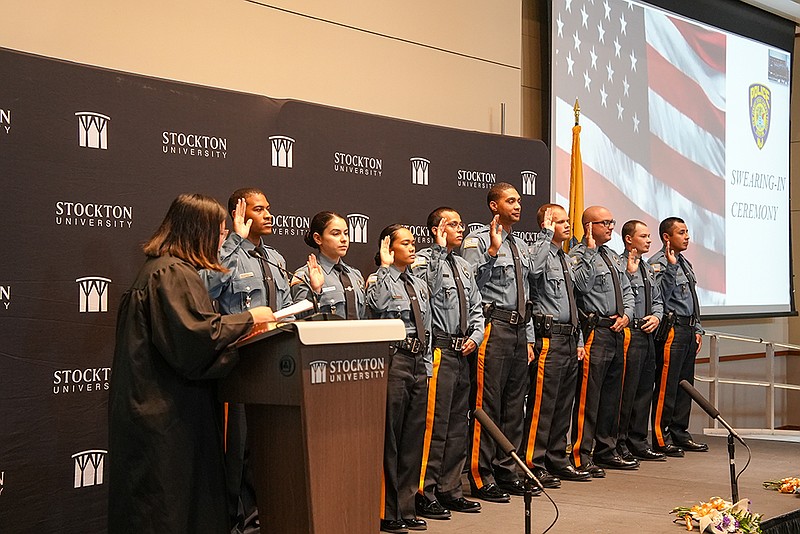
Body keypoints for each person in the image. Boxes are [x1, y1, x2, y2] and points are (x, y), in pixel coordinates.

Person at [108, 193, 275, 534]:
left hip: (159, 414)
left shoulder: (159, 270)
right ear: (198, 232)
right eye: (220, 232)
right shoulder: (172, 274)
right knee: (169, 511)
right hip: (169, 420)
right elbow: (196, 341)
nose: (223, 240)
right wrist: (249, 320)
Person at [202, 188, 293, 534]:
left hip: (276, 365)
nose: (269, 214)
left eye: (269, 208)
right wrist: (233, 242)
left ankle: (260, 521)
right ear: (240, 213)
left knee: (264, 451)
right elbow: (204, 288)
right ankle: (234, 525)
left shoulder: (276, 259)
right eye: (259, 209)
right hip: (240, 366)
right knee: (236, 454)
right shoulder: (226, 255)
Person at [459, 182, 543, 502]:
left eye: (519, 201)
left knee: (513, 406)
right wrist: (492, 252)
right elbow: (468, 286)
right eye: (510, 201)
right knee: (488, 404)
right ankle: (481, 474)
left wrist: (531, 336)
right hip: (493, 327)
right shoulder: (478, 241)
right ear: (494, 206)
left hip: (520, 331)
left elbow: (527, 294)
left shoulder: (520, 243)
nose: (518, 206)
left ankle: (508, 470)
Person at [411, 208, 484, 519]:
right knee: (434, 425)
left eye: (460, 223)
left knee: (457, 426)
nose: (459, 228)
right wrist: (439, 251)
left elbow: (478, 308)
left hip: (462, 352)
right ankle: (422, 491)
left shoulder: (465, 266)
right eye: (452, 224)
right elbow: (425, 294)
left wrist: (477, 336)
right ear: (435, 229)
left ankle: (450, 489)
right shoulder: (425, 261)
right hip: (439, 351)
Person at [367, 225, 431, 534]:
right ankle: (387, 510)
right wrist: (385, 267)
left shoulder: (419, 283)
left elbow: (427, 328)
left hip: (419, 361)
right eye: (405, 243)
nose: (412, 246)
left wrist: (428, 365)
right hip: (394, 360)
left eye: (413, 242)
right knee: (390, 439)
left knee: (412, 439)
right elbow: (376, 307)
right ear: (389, 248)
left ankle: (406, 507)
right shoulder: (379, 279)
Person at [522, 204, 591, 486]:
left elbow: (576, 299)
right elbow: (534, 273)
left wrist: (579, 339)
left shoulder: (565, 257)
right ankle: (533, 463)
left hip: (568, 337)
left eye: (566, 221)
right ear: (546, 224)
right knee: (543, 404)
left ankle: (556, 459)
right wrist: (544, 235)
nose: (566, 225)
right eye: (559, 221)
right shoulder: (536, 252)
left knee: (563, 403)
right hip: (547, 339)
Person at [568, 205, 635, 477]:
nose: (610, 227)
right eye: (604, 222)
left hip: (617, 330)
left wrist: (628, 316)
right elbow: (582, 287)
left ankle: (606, 450)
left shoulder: (613, 256)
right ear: (588, 226)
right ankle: (581, 455)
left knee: (611, 396)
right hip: (595, 331)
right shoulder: (578, 256)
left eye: (612, 221)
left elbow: (628, 291)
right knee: (589, 397)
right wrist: (590, 251)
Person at [649, 217, 707, 456]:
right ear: (666, 237)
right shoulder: (659, 263)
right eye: (681, 232)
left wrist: (698, 328)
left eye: (687, 232)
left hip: (687, 328)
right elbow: (660, 294)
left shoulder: (685, 262)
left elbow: (691, 300)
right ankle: (661, 436)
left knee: (685, 384)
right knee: (667, 384)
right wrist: (671, 269)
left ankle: (680, 432)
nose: (687, 237)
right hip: (671, 329)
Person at [617, 220, 665, 462]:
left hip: (647, 335)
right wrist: (628, 272)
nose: (648, 240)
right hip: (629, 335)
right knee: (626, 391)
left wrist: (657, 317)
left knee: (645, 390)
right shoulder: (620, 264)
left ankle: (638, 441)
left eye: (649, 236)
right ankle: (620, 442)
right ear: (628, 239)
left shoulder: (647, 268)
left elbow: (657, 300)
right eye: (643, 236)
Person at [291, 211, 366, 319]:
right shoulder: (305, 275)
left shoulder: (355, 275)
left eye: (346, 233)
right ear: (318, 238)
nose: (344, 239)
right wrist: (316, 291)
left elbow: (363, 317)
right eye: (336, 234)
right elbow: (298, 318)